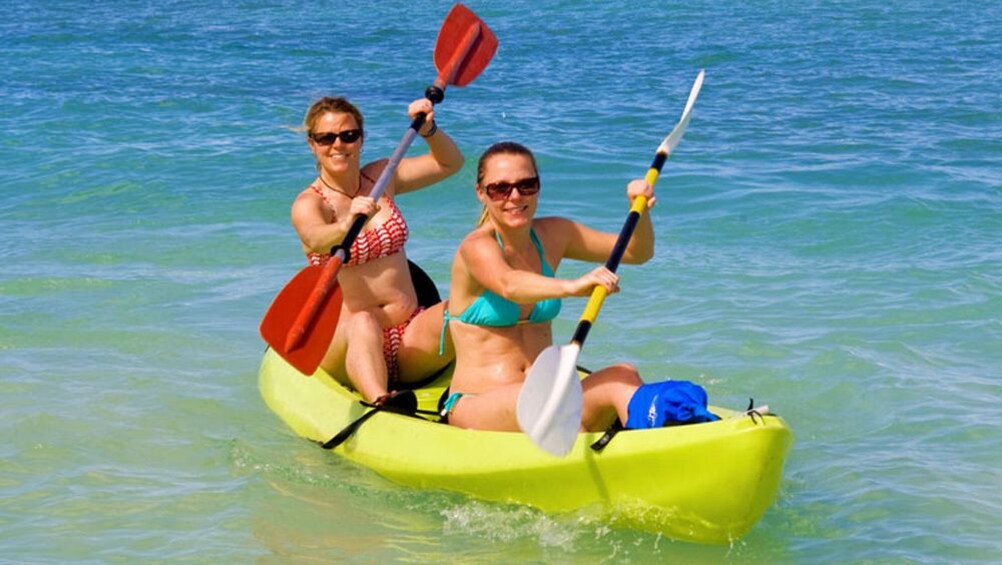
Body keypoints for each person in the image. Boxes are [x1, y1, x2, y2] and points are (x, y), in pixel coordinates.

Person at [441, 141, 656, 433]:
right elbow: (508, 284)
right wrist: (572, 286)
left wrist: (639, 211)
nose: (515, 196)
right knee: (548, 405)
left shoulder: (554, 234)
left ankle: (652, 441)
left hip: (545, 393)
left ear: (538, 187)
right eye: (500, 188)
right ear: (481, 193)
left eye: (526, 185)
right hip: (478, 403)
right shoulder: (477, 247)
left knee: (623, 374)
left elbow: (635, 252)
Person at [291, 96, 462, 402]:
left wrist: (429, 131)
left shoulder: (383, 176)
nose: (338, 145)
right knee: (364, 321)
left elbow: (450, 163)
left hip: (410, 332)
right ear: (312, 144)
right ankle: (380, 401)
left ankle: (496, 383)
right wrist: (345, 226)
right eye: (326, 138)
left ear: (361, 138)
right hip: (348, 343)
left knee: (467, 306)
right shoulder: (310, 203)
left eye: (348, 135)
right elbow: (315, 237)